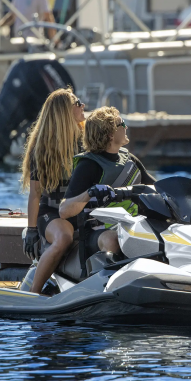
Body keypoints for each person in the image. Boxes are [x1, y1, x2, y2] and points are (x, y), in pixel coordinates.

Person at [58, 107, 156, 265]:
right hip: (97, 231)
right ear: (111, 133)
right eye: (122, 124)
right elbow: (64, 211)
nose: (126, 127)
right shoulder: (88, 165)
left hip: (132, 224)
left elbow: (156, 187)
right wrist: (89, 193)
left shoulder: (130, 160)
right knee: (113, 240)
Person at [21, 87, 85, 293]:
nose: (83, 106)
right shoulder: (42, 148)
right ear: (64, 112)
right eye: (77, 103)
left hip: (82, 213)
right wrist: (31, 230)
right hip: (52, 214)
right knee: (64, 238)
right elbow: (35, 194)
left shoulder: (86, 142)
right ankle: (33, 294)